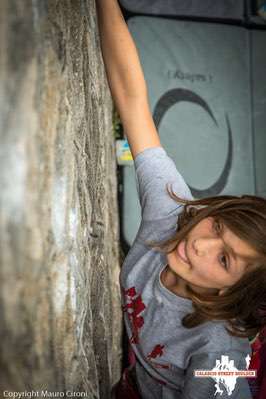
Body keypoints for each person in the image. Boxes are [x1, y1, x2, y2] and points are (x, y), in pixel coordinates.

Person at [95, 1, 266, 398]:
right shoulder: (173, 216)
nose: (199, 243)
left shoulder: (220, 357)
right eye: (218, 226)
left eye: (225, 259)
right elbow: (134, 100)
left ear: (233, 291)